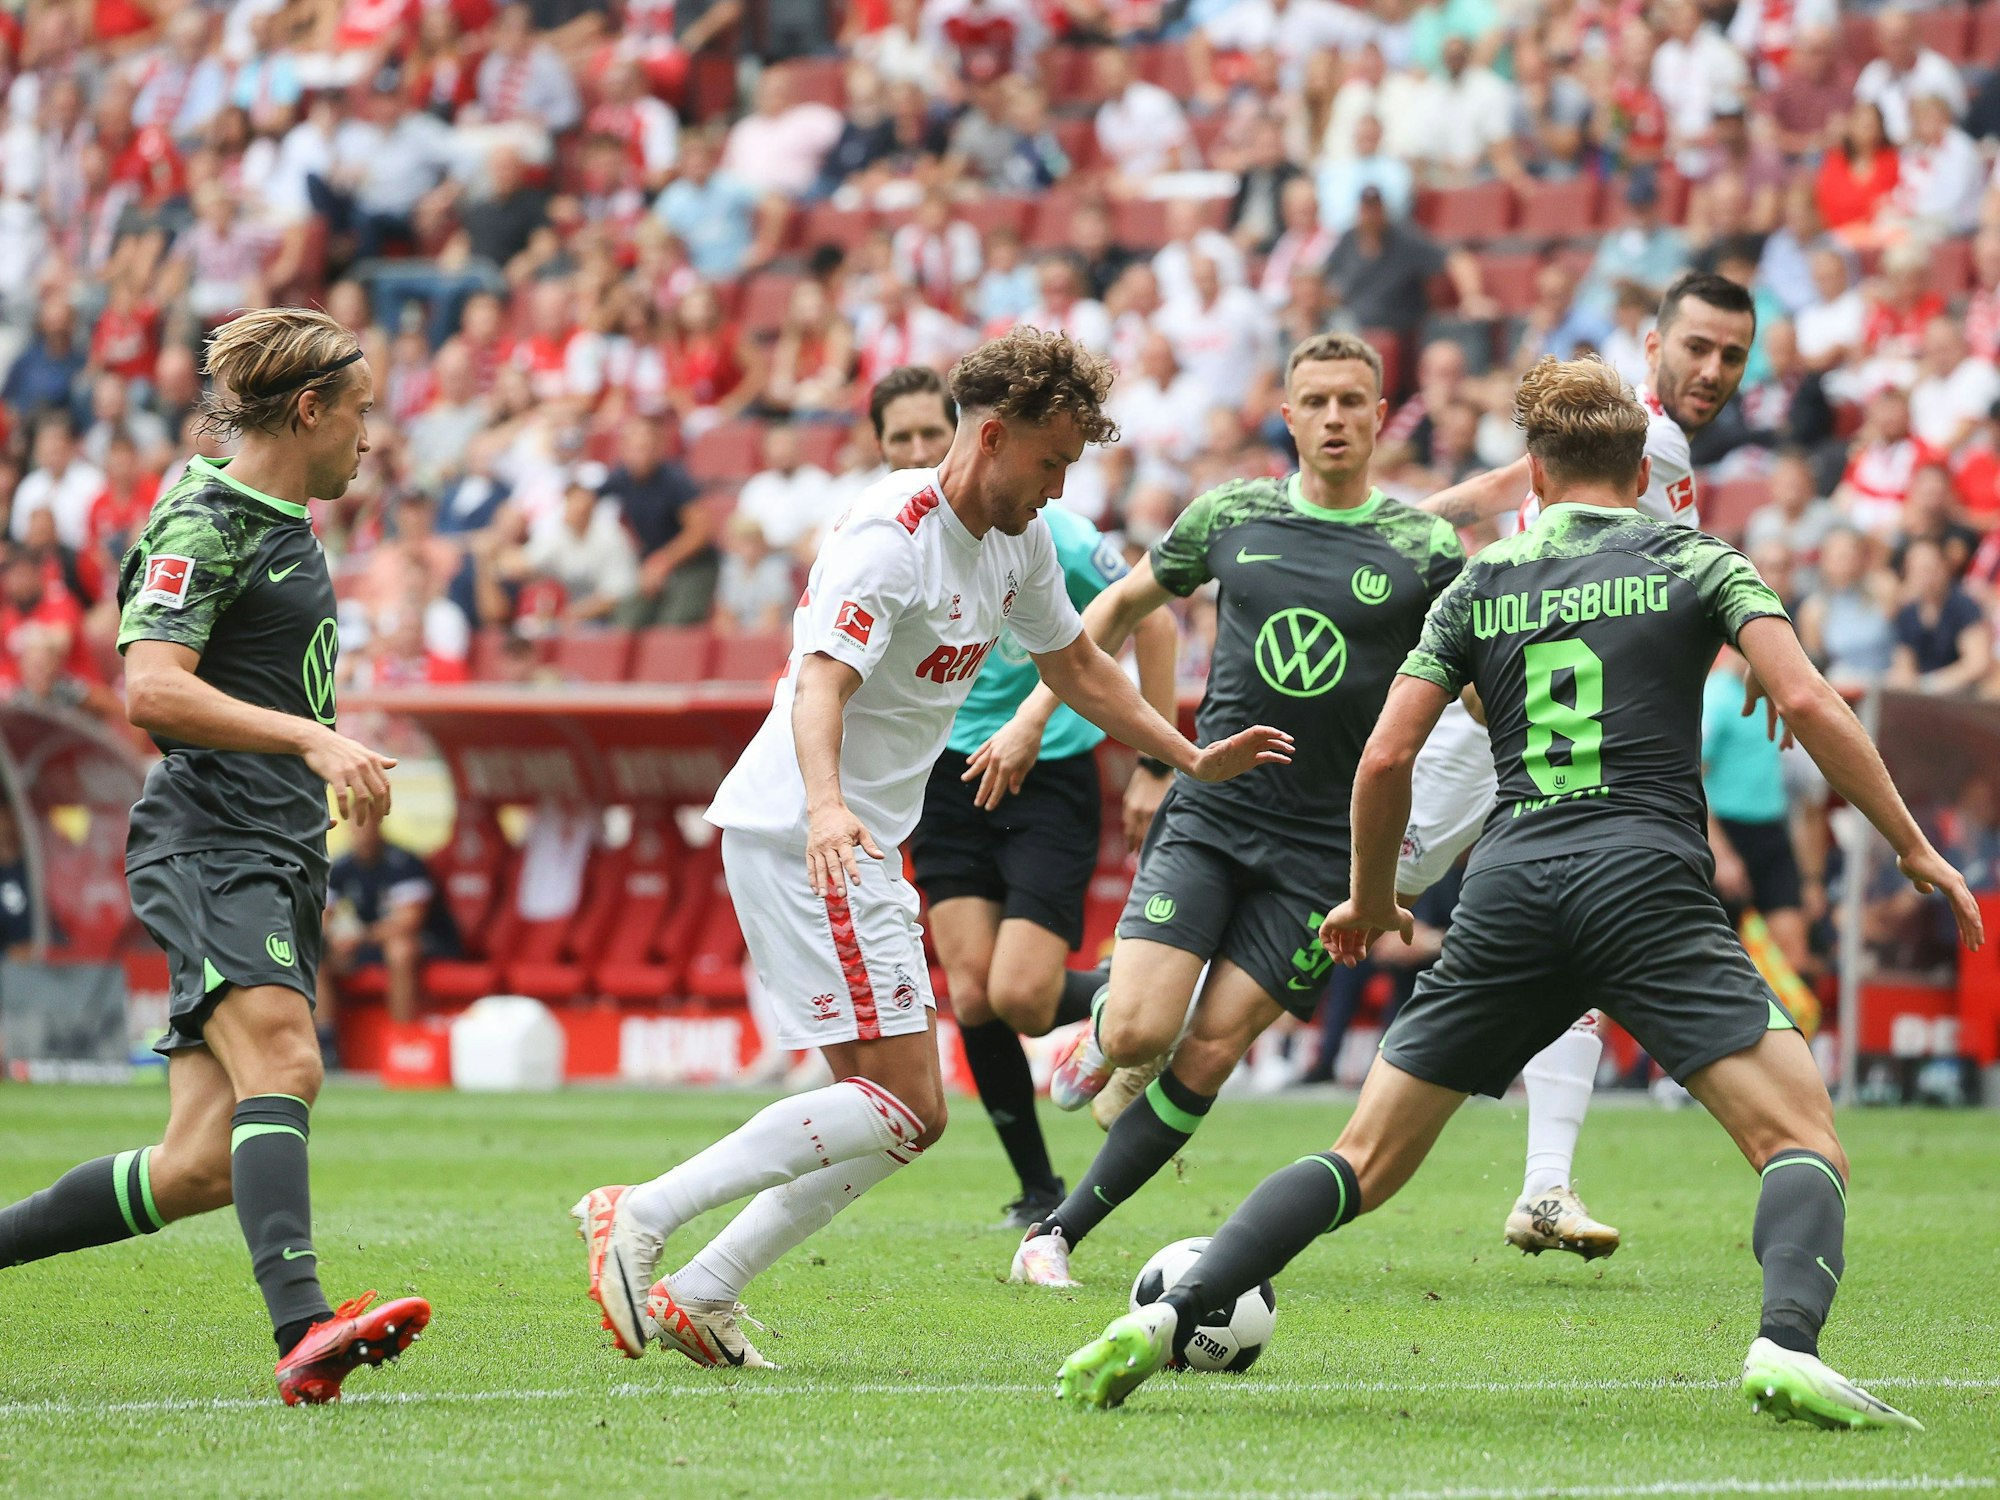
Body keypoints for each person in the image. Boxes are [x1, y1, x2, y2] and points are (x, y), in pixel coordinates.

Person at [1056, 356, 1985, 1431]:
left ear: (1530, 474)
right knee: (1798, 1140)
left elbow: (1383, 759)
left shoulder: (1475, 584)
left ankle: (1170, 1316)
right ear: (1641, 471)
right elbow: (1807, 701)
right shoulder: (1691, 553)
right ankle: (1783, 1344)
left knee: (1362, 1158)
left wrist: (1364, 898)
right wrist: (1914, 848)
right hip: (1642, 878)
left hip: (1508, 883)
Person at [568, 329, 1290, 1368]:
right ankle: (635, 1214)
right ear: (991, 437)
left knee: (897, 1116)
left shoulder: (1018, 540)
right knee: (906, 1104)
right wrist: (825, 811)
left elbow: (1079, 664)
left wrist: (1182, 754)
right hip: (806, 835)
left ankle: (703, 1289)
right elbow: (820, 681)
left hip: (843, 837)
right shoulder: (889, 535)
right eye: (1049, 462)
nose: (1058, 485)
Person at [0, 308, 431, 1403]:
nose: (369, 436)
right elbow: (149, 686)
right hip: (212, 839)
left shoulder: (280, 518)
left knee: (196, 1163)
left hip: (273, 844)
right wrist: (310, 734)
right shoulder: (207, 519)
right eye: (360, 413)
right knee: (286, 1063)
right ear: (308, 409)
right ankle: (304, 1328)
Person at [1010, 333, 1465, 1290]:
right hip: (1214, 813)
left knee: (1211, 1049)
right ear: (1289, 416)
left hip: (1323, 853)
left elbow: (1475, 677)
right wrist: (1037, 716)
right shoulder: (1230, 514)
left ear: (1380, 416)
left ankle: (1053, 1234)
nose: (1335, 418)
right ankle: (1105, 1041)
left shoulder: (1425, 548)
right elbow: (1120, 612)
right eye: (1317, 401)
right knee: (1140, 1030)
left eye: (1353, 401)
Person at [1398, 271, 1758, 1258]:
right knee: (1361, 881)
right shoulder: (1622, 431)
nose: (1711, 369)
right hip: (1511, 703)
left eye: (1732, 354)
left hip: (1575, 717)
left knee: (1578, 947)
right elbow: (1501, 496)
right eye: (1696, 347)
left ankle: (1545, 1189)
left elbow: (1502, 493)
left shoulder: (1643, 447)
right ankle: (1134, 1015)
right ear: (1651, 345)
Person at [898, 365, 1177, 1227]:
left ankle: (1141, 1010)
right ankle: (1037, 1188)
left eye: (923, 432)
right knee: (973, 995)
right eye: (898, 439)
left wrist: (1156, 763)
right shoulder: (892, 532)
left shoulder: (1050, 530)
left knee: (1019, 995)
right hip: (944, 776)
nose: (912, 450)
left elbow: (1154, 618)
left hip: (1049, 770)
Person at [319, 820, 461, 1043]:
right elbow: (323, 914)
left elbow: (409, 922)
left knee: (399, 949)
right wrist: (335, 937)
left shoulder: (404, 862)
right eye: (356, 824)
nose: (361, 831)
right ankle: (326, 1043)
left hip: (429, 941)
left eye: (367, 823)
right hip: (372, 943)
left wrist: (360, 937)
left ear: (379, 825)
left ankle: (402, 1038)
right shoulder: (343, 866)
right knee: (318, 953)